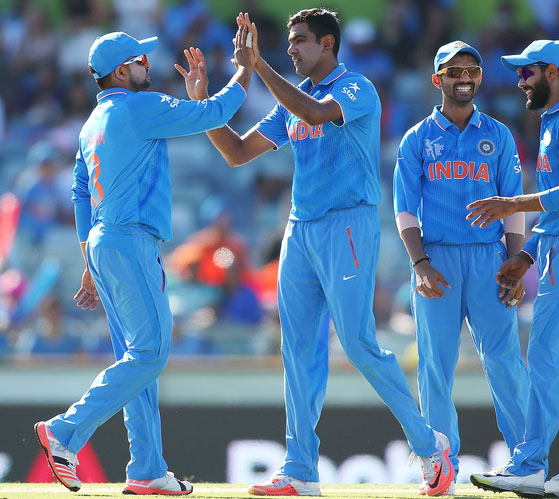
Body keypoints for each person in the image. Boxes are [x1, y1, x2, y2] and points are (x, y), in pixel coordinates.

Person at [178, 9, 454, 497]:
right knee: (298, 350)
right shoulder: (292, 101)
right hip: (300, 229)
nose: (291, 49)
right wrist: (203, 108)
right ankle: (301, 469)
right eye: (288, 42)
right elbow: (237, 152)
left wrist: (258, 67)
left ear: (328, 44)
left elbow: (316, 113)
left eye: (299, 41)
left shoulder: (355, 88)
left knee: (358, 343)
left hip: (348, 224)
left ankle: (430, 447)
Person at [33, 28, 254, 495]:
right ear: (120, 70)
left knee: (138, 361)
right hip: (130, 240)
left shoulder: (93, 121)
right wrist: (246, 69)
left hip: (104, 240)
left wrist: (89, 259)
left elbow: (78, 194)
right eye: (140, 60)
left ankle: (147, 470)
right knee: (150, 354)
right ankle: (65, 432)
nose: (147, 67)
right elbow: (217, 112)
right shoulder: (139, 106)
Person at [467, 40, 559, 499]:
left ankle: (529, 466)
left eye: (527, 73)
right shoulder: (555, 120)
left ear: (553, 73)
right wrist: (527, 254)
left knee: (548, 354)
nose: (520, 81)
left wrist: (512, 204)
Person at [393, 40, 530, 494]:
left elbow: (513, 205)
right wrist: (420, 264)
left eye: (471, 69)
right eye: (454, 71)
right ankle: (440, 463)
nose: (464, 77)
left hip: (489, 259)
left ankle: (526, 460)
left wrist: (515, 261)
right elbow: (405, 211)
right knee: (435, 364)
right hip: (438, 259)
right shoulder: (417, 139)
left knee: (505, 359)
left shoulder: (499, 135)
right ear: (438, 80)